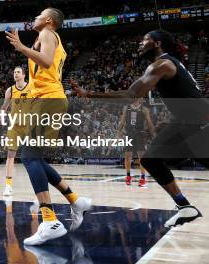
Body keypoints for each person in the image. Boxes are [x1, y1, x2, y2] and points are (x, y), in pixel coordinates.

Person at [72, 30, 209, 228]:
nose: (140, 44)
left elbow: (130, 95)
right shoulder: (170, 64)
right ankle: (185, 207)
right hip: (189, 121)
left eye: (144, 40)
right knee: (151, 159)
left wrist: (89, 94)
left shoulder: (161, 65)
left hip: (197, 122)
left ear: (157, 43)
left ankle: (184, 206)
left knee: (151, 159)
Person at [5, 8, 91, 245]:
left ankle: (50, 219)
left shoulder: (47, 33)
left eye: (38, 15)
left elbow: (46, 61)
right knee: (36, 158)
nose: (35, 18)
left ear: (49, 20)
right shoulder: (46, 35)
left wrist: (21, 47)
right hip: (48, 100)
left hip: (49, 100)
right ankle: (75, 200)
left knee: (29, 156)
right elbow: (44, 70)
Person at [0, 66, 31, 196]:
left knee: (33, 157)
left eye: (18, 72)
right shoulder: (10, 90)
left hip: (29, 126)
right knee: (10, 156)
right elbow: (4, 108)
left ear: (24, 75)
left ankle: (38, 185)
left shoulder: (31, 88)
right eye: (14, 72)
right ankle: (8, 185)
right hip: (14, 126)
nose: (16, 74)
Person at [117, 98, 155, 187]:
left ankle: (142, 177)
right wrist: (118, 133)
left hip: (139, 133)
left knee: (141, 157)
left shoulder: (144, 109)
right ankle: (128, 176)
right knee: (127, 156)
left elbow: (149, 122)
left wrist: (153, 133)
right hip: (129, 133)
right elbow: (123, 121)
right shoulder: (126, 108)